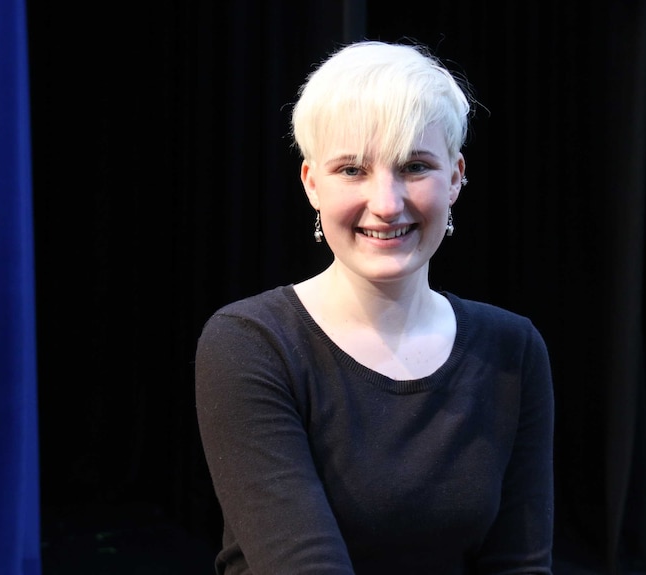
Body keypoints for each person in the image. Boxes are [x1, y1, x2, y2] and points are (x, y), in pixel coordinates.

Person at [194, 39, 554, 574]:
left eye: (414, 166)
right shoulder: (250, 343)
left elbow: (518, 564)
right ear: (311, 183)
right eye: (352, 170)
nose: (386, 204)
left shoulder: (512, 348)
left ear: (455, 178)